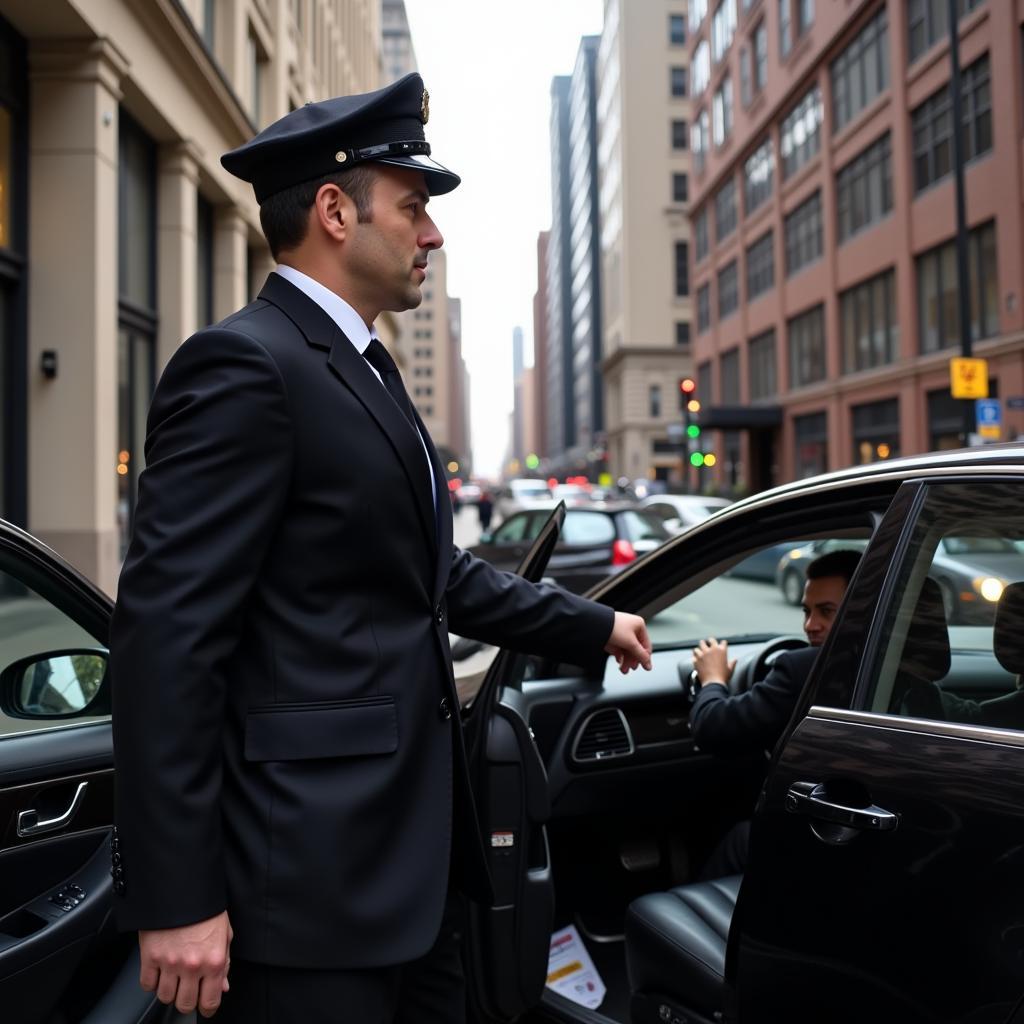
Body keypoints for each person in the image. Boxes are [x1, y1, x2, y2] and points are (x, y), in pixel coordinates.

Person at [109, 73, 652, 1024]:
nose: (432, 234)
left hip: (410, 874)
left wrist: (594, 624)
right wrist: (179, 896)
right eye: (414, 208)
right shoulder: (245, 366)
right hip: (307, 896)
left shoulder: (365, 367)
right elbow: (166, 640)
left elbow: (428, 578)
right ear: (333, 210)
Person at [687, 548, 861, 876]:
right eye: (807, 611)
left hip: (817, 833)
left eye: (826, 611)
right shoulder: (901, 670)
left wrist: (712, 679)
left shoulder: (804, 668)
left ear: (861, 611)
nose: (811, 625)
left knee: (742, 837)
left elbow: (713, 727)